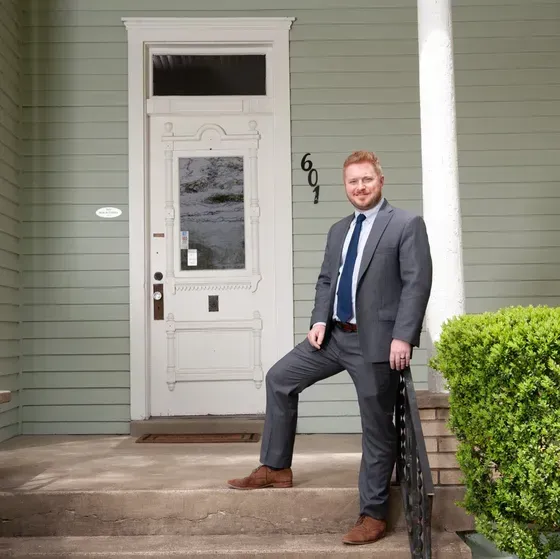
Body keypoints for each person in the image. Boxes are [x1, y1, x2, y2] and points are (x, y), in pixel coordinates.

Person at [227, 150, 432, 546]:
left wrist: (403, 336)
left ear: (381, 181)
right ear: (346, 186)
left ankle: (372, 514)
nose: (360, 187)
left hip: (376, 343)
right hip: (334, 336)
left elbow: (417, 283)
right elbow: (326, 281)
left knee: (376, 427)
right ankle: (275, 467)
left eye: (366, 180)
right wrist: (319, 321)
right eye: (353, 181)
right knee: (279, 378)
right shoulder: (339, 229)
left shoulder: (405, 224)